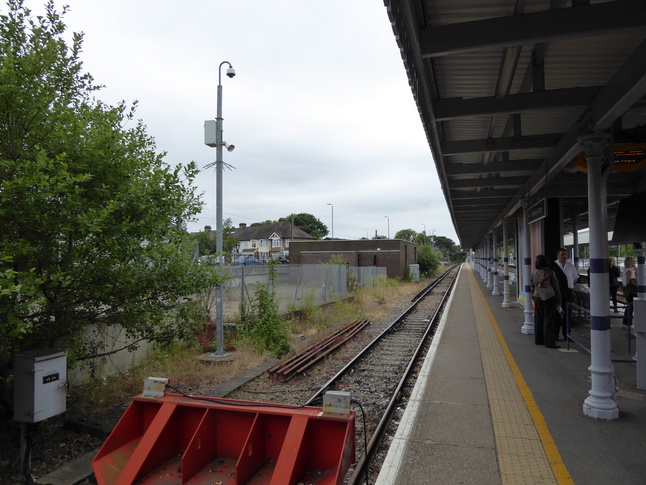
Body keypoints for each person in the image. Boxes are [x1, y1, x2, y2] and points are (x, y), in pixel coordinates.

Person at [531, 254, 562, 348]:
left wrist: (533, 297)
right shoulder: (550, 272)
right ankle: (549, 342)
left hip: (537, 297)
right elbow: (556, 286)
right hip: (549, 298)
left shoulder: (534, 273)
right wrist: (559, 300)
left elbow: (532, 286)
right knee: (548, 321)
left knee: (538, 320)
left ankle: (538, 340)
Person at [552, 248, 579, 340]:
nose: (564, 257)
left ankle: (567, 334)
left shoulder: (571, 266)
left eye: (565, 255)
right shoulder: (553, 266)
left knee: (568, 315)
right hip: (556, 294)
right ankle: (555, 334)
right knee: (556, 315)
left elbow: (575, 278)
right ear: (557, 255)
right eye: (562, 255)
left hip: (568, 293)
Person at [622, 256, 637, 326]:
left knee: (629, 305)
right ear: (631, 262)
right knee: (630, 306)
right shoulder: (629, 271)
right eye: (634, 261)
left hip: (627, 289)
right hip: (630, 290)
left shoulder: (626, 270)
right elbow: (628, 282)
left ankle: (626, 322)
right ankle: (628, 323)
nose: (635, 263)